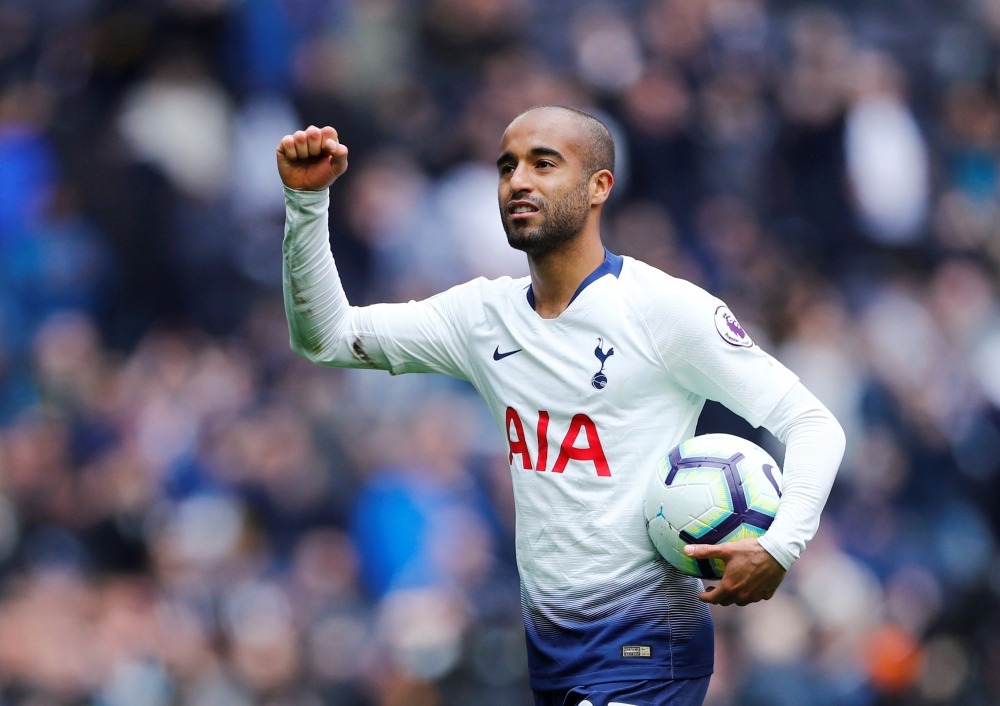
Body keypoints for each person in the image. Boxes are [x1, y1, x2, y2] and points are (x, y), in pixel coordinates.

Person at [276, 106, 846, 706]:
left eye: (543, 164)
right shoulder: (482, 316)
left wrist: (780, 547)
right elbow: (327, 337)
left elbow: (813, 422)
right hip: (552, 657)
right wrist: (306, 205)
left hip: (646, 650)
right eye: (506, 167)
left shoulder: (663, 309)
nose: (518, 180)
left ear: (599, 186)